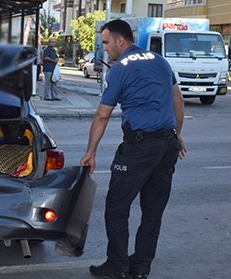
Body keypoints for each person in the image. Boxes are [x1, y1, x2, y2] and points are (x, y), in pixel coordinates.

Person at [79, 19, 187, 279]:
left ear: (120, 40)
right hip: (166, 146)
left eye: (106, 42)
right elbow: (177, 100)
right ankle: (140, 267)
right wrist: (177, 135)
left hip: (140, 147)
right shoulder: (160, 61)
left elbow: (102, 115)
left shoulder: (119, 70)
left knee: (116, 206)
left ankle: (117, 265)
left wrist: (90, 152)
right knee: (152, 211)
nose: (104, 48)